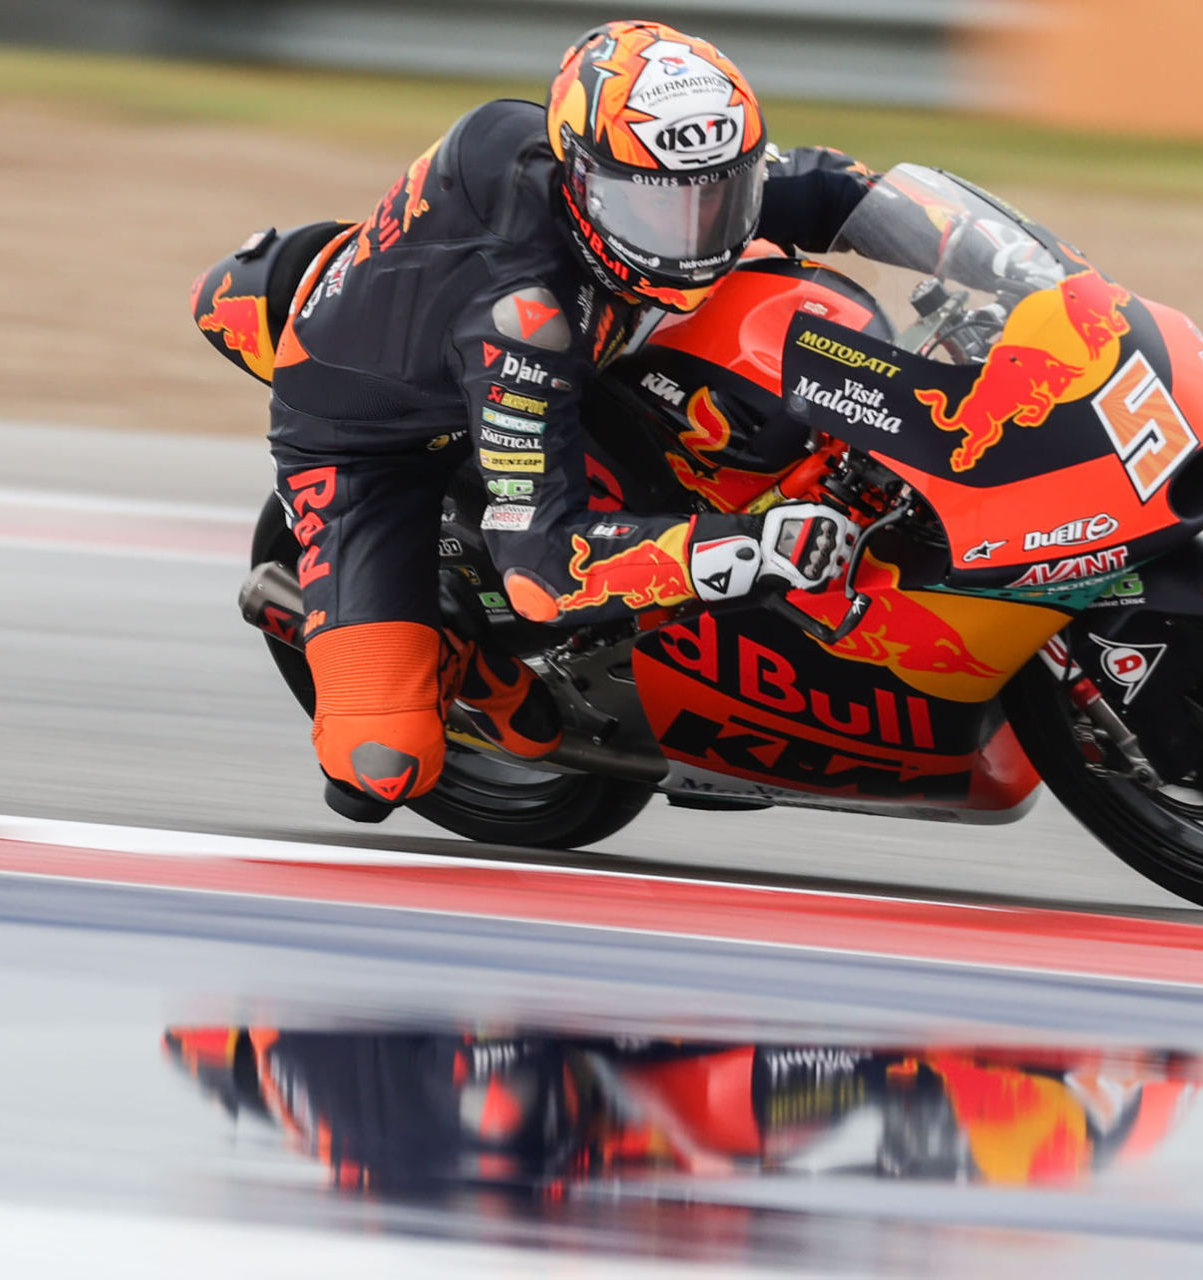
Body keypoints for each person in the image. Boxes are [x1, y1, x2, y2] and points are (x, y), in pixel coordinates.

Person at [262, 21, 877, 818]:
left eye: (718, 197)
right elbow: (546, 570)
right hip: (373, 447)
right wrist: (751, 548)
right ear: (579, 177)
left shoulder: (657, 170)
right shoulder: (523, 320)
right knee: (381, 765)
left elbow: (840, 189)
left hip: (535, 341)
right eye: (657, 208)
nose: (694, 237)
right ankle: (450, 652)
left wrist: (1004, 263)